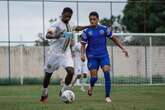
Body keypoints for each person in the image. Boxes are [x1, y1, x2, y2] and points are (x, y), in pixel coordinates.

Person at [40, 7, 88, 103]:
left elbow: (77, 28)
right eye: (66, 16)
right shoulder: (56, 25)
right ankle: (44, 93)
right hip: (54, 54)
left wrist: (89, 26)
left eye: (69, 17)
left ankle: (63, 91)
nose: (67, 18)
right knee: (48, 75)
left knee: (71, 71)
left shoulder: (71, 24)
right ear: (62, 14)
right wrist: (55, 35)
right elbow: (48, 35)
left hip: (66, 54)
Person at [81, 11, 129, 103]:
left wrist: (123, 48)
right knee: (94, 78)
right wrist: (82, 54)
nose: (92, 21)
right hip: (92, 57)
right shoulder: (86, 31)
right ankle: (91, 86)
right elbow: (83, 45)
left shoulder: (104, 29)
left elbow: (114, 39)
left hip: (103, 56)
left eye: (94, 19)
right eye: (90, 19)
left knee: (106, 71)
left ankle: (107, 96)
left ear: (98, 19)